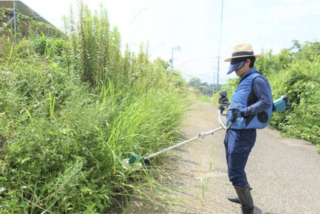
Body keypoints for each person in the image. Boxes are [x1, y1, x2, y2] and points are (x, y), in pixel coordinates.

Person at [223, 44, 273, 214]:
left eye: (237, 65)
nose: (235, 70)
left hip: (243, 133)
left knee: (235, 171)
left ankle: (248, 207)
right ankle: (242, 194)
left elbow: (266, 102)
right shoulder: (244, 79)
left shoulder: (257, 79)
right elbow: (243, 101)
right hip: (233, 130)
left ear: (247, 61)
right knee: (234, 166)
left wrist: (244, 112)